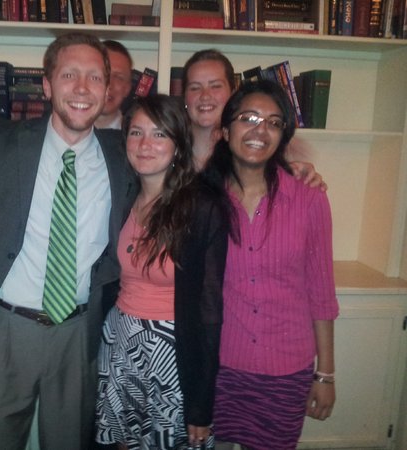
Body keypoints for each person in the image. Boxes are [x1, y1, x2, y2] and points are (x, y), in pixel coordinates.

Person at [0, 33, 136, 450]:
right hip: (7, 328)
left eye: (95, 77)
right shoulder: (1, 141)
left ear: (108, 89)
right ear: (46, 85)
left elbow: (185, 156)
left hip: (78, 331)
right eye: (69, 75)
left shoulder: (125, 155)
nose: (82, 88)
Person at [203, 79, 338, 450]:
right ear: (226, 130)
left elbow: (322, 293)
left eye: (273, 122)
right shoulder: (204, 200)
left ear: (282, 136)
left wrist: (325, 374)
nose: (260, 130)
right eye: (248, 118)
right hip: (220, 367)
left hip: (286, 370)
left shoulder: (309, 199)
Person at [95, 95, 228, 449]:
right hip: (121, 341)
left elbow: (210, 312)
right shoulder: (123, 197)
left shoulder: (201, 207)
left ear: (178, 145)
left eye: (159, 134)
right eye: (136, 132)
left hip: (173, 351)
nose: (145, 144)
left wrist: (201, 403)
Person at [182, 49, 326, 191]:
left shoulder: (271, 150)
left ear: (233, 93)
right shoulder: (171, 152)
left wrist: (301, 179)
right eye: (194, 88)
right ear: (184, 97)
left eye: (215, 86)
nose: (205, 96)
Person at [94, 40, 133, 130]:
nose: (109, 85)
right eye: (104, 74)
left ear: (127, 88)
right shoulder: (63, 131)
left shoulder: (133, 136)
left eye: (118, 77)